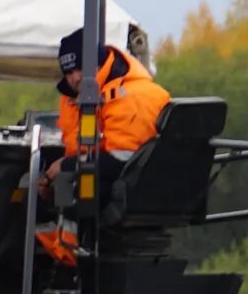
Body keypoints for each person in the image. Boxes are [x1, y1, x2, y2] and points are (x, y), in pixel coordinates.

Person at [37, 30, 173, 255]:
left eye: (80, 68)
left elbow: (123, 159)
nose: (74, 77)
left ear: (98, 61)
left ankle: (70, 259)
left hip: (133, 184)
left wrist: (64, 166)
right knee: (40, 188)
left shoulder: (132, 95)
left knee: (72, 190)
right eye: (68, 72)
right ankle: (57, 259)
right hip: (119, 178)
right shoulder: (87, 95)